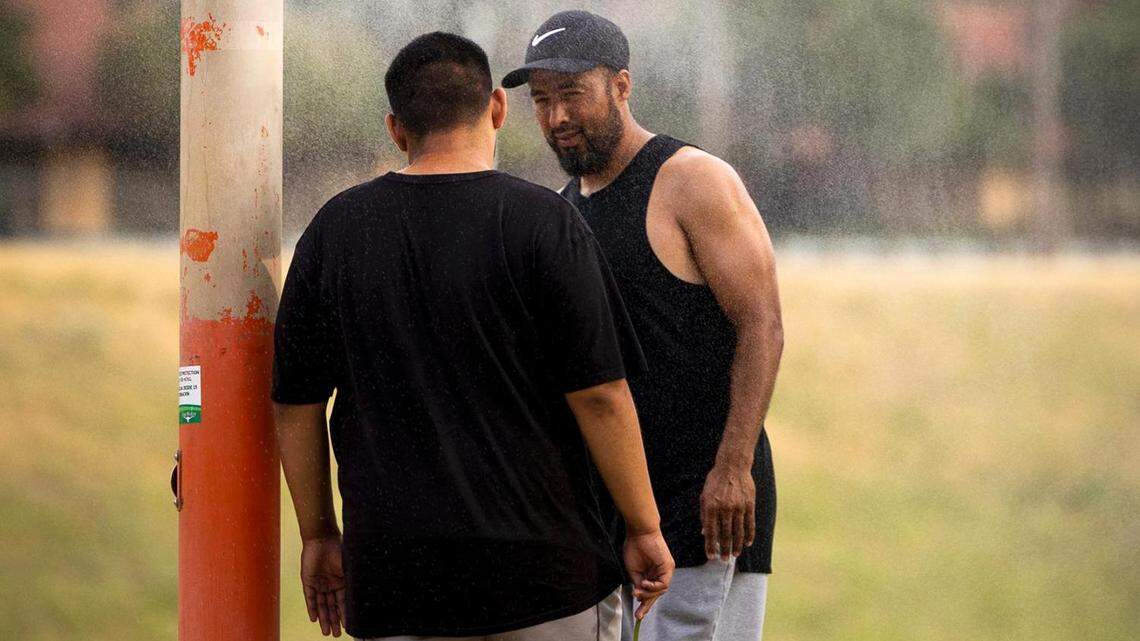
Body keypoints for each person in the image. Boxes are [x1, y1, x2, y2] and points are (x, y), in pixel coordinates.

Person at [271, 32, 674, 641]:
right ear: (496, 109)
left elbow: (296, 404)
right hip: (545, 578)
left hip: (394, 579)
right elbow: (599, 395)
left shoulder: (337, 230)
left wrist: (320, 535)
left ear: (395, 128)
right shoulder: (545, 221)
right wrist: (644, 527)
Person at [503, 11, 784, 641]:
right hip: (623, 520)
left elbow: (762, 325)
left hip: (707, 508)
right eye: (542, 100)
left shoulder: (691, 179)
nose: (556, 117)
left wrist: (734, 467)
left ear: (622, 86)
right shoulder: (568, 206)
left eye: (572, 93)